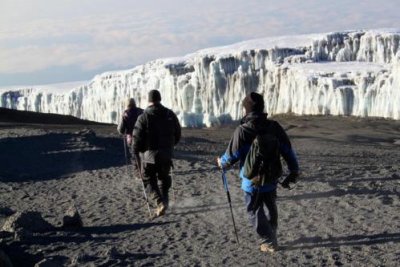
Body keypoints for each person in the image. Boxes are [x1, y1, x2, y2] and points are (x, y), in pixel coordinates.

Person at [217, 92, 299, 253]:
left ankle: (269, 241)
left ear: (246, 110)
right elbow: (288, 151)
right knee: (270, 206)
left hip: (251, 182)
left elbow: (231, 157)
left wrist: (221, 163)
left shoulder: (242, 130)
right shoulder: (274, 127)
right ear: (262, 108)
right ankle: (272, 234)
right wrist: (294, 169)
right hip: (271, 177)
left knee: (254, 210)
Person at [133, 89, 181, 217]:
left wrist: (136, 150)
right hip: (166, 154)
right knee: (164, 179)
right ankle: (165, 201)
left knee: (148, 179)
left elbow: (136, 137)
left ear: (149, 101)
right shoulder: (170, 114)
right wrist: (170, 147)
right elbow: (178, 133)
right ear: (159, 99)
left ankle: (160, 203)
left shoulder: (143, 117)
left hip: (149, 157)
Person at [117, 98, 144, 176]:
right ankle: (144, 170)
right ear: (135, 103)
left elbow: (121, 129)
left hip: (131, 138)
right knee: (143, 153)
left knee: (135, 155)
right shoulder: (141, 111)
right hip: (143, 137)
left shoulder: (126, 113)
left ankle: (138, 172)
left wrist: (121, 131)